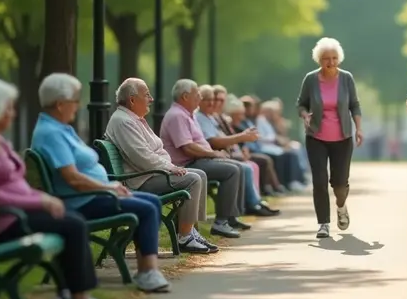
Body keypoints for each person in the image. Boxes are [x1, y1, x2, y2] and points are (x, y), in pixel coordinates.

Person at [0, 78, 115, 299]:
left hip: (11, 216)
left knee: (69, 221)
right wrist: (40, 202)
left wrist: (43, 197)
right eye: (9, 107)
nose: (13, 113)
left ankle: (68, 294)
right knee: (72, 224)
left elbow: (17, 184)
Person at [30, 73, 170, 293]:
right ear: (59, 104)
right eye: (74, 101)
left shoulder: (60, 128)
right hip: (82, 201)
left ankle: (147, 270)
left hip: (95, 195)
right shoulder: (51, 134)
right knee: (147, 208)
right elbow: (72, 178)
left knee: (152, 202)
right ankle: (148, 272)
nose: (77, 106)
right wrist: (108, 187)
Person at [104, 78, 217, 254]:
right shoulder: (124, 121)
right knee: (193, 179)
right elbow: (142, 157)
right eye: (147, 95)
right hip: (141, 180)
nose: (151, 99)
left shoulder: (134, 118)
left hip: (150, 173)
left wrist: (168, 167)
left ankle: (191, 231)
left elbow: (148, 154)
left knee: (200, 174)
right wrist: (170, 168)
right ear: (132, 100)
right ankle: (185, 237)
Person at [160, 79, 246, 238]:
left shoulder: (188, 114)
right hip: (188, 163)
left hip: (198, 160)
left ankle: (230, 219)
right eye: (197, 94)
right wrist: (214, 153)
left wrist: (215, 154)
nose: (200, 97)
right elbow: (188, 147)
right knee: (232, 170)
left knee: (239, 166)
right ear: (185, 97)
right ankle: (221, 223)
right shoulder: (177, 115)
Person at [296, 37, 363, 239]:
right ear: (319, 60)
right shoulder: (310, 79)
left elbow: (355, 105)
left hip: (342, 137)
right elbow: (301, 103)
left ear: (339, 59)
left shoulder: (346, 78)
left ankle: (341, 206)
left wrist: (359, 129)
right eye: (326, 58)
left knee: (340, 183)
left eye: (334, 58)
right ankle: (323, 223)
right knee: (319, 180)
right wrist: (304, 114)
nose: (331, 62)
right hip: (316, 136)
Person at [193, 85, 278, 217]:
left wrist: (241, 145)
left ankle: (247, 206)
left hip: (216, 155)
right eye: (209, 99)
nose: (213, 103)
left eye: (218, 100)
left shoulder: (212, 117)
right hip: (205, 158)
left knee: (249, 165)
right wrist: (241, 139)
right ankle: (236, 213)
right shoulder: (199, 117)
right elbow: (213, 142)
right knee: (243, 167)